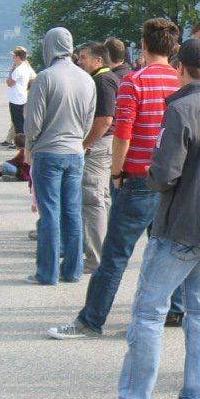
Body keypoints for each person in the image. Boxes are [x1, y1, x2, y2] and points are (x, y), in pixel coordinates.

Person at [93, 37, 200, 399]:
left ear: (180, 68)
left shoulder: (182, 109)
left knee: (149, 311)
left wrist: (146, 176)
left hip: (182, 224)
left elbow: (165, 172)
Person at [47, 18, 180, 338]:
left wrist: (117, 172)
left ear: (143, 45)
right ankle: (173, 309)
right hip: (171, 180)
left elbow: (123, 134)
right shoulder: (180, 81)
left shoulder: (134, 82)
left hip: (137, 177)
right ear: (173, 47)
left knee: (115, 255)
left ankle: (91, 319)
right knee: (166, 252)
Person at [23, 27, 96, 286]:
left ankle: (47, 272)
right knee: (73, 212)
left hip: (48, 152)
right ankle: (73, 270)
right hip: (75, 152)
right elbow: (89, 120)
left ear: (49, 46)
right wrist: (78, 140)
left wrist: (30, 146)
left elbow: (33, 121)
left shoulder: (45, 78)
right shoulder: (87, 79)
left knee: (50, 213)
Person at [76, 41, 121, 273]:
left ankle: (95, 258)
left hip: (99, 145)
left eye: (84, 57)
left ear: (98, 60)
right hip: (106, 144)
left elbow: (105, 120)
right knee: (101, 198)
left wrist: (85, 144)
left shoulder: (102, 80)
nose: (79, 61)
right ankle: (101, 252)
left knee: (92, 199)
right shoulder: (107, 78)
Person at [5, 48, 34, 139]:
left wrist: (11, 73)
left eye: (14, 57)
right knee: (20, 120)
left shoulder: (18, 69)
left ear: (18, 57)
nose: (13, 58)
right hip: (21, 96)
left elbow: (10, 83)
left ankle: (20, 140)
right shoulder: (26, 68)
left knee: (17, 122)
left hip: (16, 98)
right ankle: (20, 139)